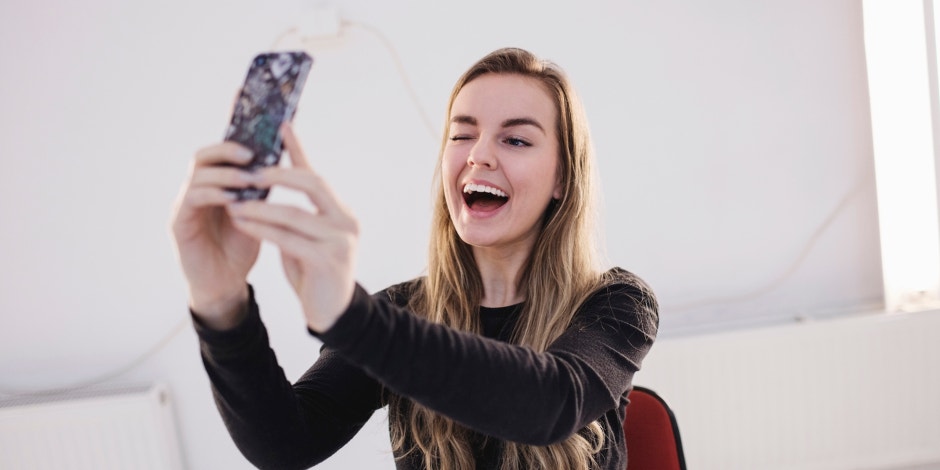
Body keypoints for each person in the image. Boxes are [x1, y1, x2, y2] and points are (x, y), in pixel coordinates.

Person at [171, 47, 658, 470]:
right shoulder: (403, 312)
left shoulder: (617, 303)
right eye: (462, 134)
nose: (479, 155)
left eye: (515, 140)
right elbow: (284, 444)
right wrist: (219, 300)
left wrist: (352, 318)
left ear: (562, 180)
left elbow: (550, 405)